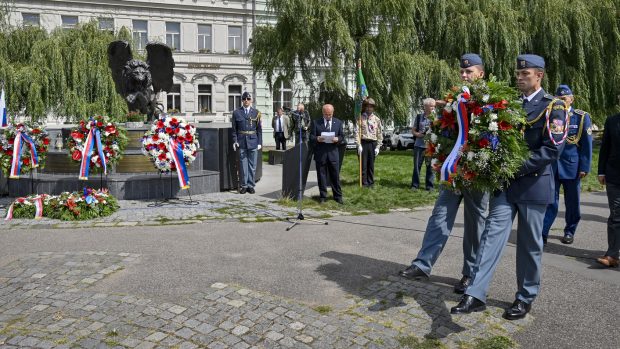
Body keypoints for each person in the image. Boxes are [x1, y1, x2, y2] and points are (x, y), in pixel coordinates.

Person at [451, 54, 568, 320]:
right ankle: (476, 294)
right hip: (505, 185)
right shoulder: (509, 104)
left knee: (529, 245)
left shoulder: (554, 106)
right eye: (517, 74)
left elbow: (552, 149)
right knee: (491, 237)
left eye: (524, 75)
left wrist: (513, 167)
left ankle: (525, 297)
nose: (519, 78)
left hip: (534, 184)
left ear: (539, 76)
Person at [399, 53, 489, 295]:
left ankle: (471, 274)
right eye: (462, 71)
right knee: (439, 217)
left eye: (469, 72)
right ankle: (422, 264)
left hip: (477, 173)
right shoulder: (454, 99)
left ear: (480, 74)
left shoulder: (491, 101)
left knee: (475, 225)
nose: (463, 75)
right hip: (452, 169)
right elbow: (445, 129)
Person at [542, 85, 592, 245]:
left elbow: (587, 144)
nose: (562, 101)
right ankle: (543, 233)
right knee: (550, 201)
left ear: (572, 99)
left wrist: (585, 167)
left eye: (565, 99)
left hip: (572, 166)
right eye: (559, 99)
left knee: (572, 203)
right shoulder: (550, 114)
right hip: (552, 166)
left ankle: (570, 231)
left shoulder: (581, 117)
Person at [597, 112, 620, 267]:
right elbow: (605, 147)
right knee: (616, 215)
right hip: (614, 175)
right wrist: (601, 171)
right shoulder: (612, 120)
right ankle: (612, 255)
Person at [310, 104, 345, 204]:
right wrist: (317, 138)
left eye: (330, 114)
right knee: (321, 176)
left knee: (335, 176)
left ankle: (338, 196)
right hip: (321, 154)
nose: (328, 116)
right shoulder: (316, 122)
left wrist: (338, 139)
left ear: (333, 113)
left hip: (333, 154)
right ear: (323, 113)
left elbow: (342, 136)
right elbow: (311, 137)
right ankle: (323, 196)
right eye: (326, 114)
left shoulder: (338, 122)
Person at [231, 91, 262, 194]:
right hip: (241, 141)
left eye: (248, 99)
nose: (246, 101)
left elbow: (259, 129)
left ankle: (251, 185)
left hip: (253, 141)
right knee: (243, 165)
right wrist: (235, 141)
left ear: (251, 100)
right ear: (242, 101)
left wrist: (259, 142)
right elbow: (234, 130)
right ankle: (244, 185)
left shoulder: (256, 113)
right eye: (244, 99)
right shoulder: (236, 113)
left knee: (252, 165)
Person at [355, 97, 383, 188]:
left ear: (373, 108)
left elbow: (379, 133)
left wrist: (378, 146)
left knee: (371, 164)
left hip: (373, 143)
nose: (369, 108)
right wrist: (358, 145)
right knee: (363, 164)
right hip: (363, 142)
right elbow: (357, 132)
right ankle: (364, 182)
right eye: (367, 106)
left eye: (371, 107)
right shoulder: (360, 118)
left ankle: (371, 182)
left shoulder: (377, 119)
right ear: (364, 107)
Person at [411, 98, 435, 190]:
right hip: (419, 145)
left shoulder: (436, 117)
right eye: (431, 106)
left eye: (434, 106)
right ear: (425, 107)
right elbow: (413, 130)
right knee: (417, 166)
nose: (433, 107)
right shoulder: (419, 117)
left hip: (431, 146)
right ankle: (415, 185)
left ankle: (429, 186)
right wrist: (418, 134)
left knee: (430, 167)